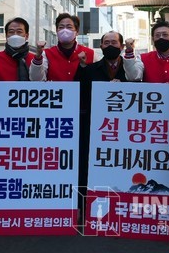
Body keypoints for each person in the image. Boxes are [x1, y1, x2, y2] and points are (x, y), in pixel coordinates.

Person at [73, 31, 128, 219]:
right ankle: (85, 210)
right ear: (101, 46)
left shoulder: (131, 69)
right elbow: (79, 92)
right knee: (87, 168)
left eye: (114, 42)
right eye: (106, 42)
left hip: (123, 131)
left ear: (121, 46)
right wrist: (81, 66)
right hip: (95, 129)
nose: (110, 45)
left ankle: (120, 209)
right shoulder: (90, 69)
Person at [30, 13, 95, 81]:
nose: (65, 30)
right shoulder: (46, 54)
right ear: (57, 31)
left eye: (69, 27)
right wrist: (38, 57)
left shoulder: (90, 54)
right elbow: (36, 80)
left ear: (77, 31)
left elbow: (97, 80)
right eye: (61, 27)